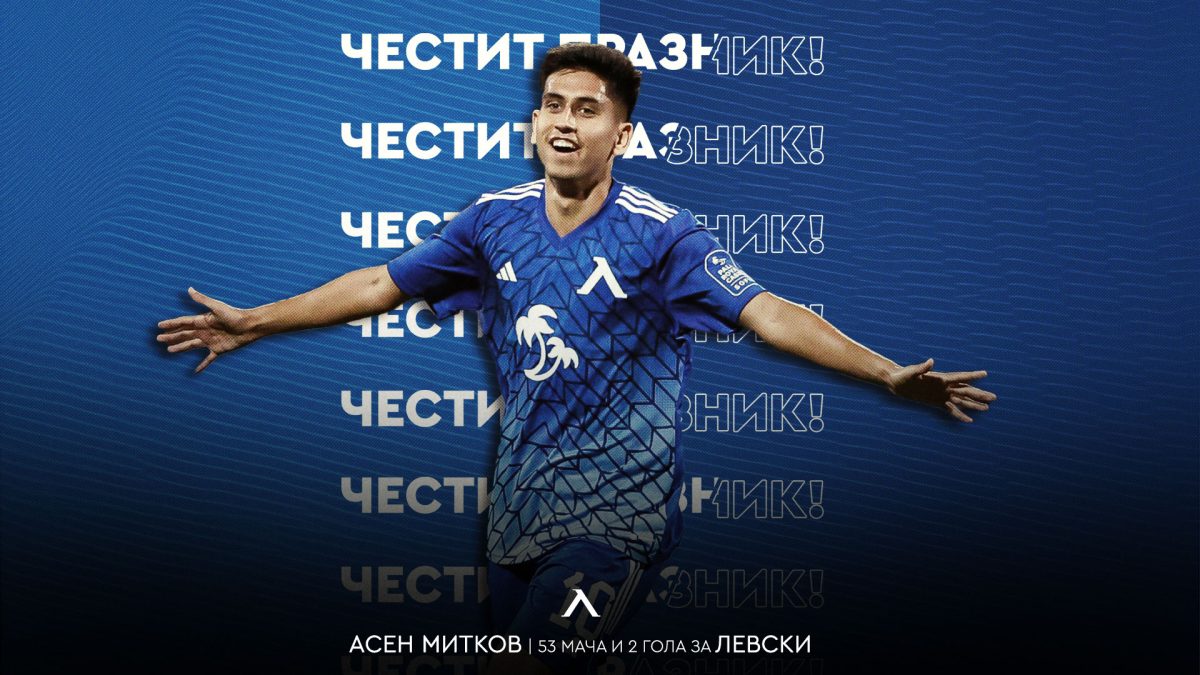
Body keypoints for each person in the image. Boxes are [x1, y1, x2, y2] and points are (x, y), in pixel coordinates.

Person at [158, 43, 995, 674]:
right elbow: (381, 282)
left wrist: (886, 373)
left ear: (620, 134)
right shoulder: (492, 219)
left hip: (615, 520)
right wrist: (256, 321)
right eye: (551, 105)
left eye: (586, 109)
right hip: (515, 515)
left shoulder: (664, 236)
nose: (562, 120)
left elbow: (770, 312)